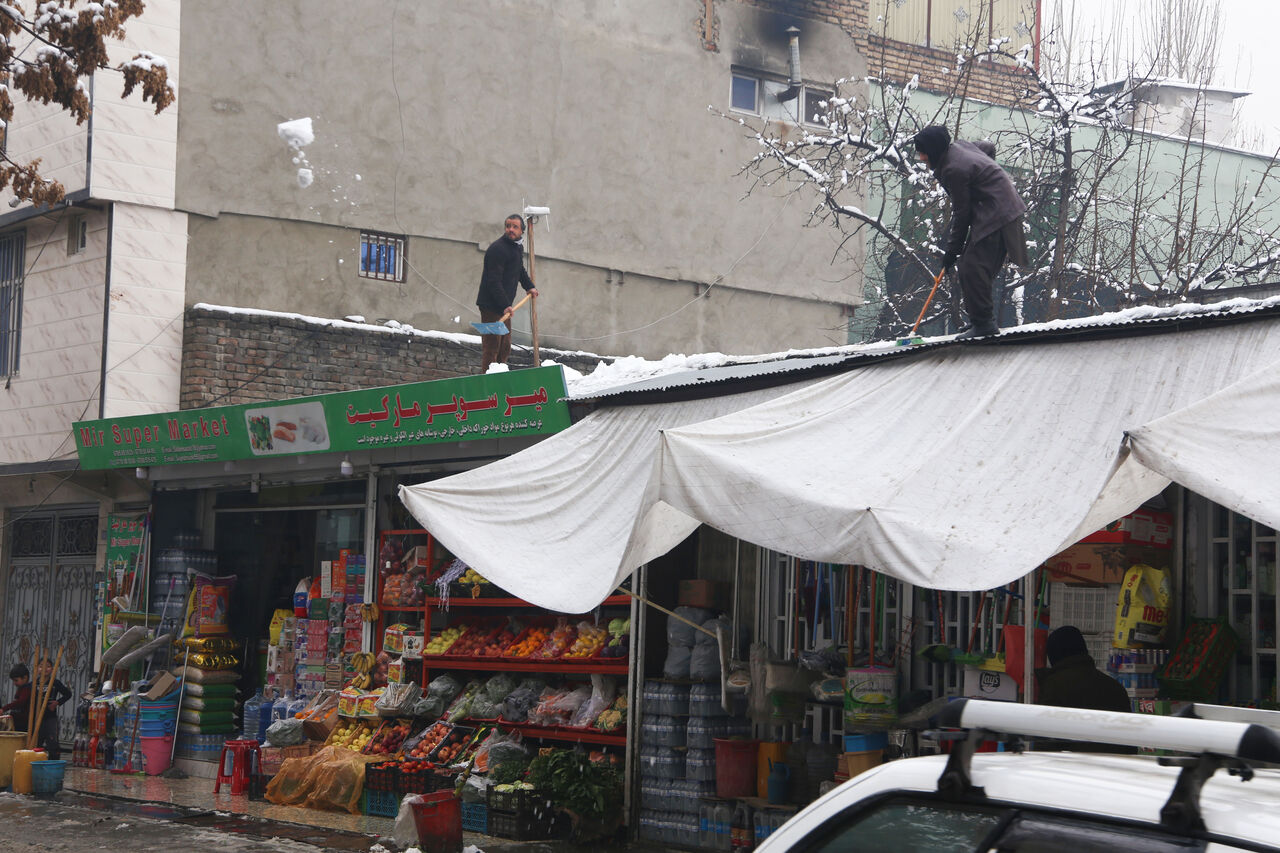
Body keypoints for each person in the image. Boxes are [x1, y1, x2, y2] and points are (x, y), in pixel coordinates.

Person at [911, 125, 1028, 338]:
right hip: (1000, 209)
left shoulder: (954, 170)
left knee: (972, 267)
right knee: (971, 266)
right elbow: (987, 148)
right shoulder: (959, 147)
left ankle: (984, 324)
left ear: (933, 150)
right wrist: (986, 178)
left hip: (998, 214)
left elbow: (962, 214)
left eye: (923, 153)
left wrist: (952, 251)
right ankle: (979, 320)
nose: (921, 158)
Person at [475, 213, 538, 371]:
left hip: (503, 307)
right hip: (491, 307)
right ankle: (488, 379)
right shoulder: (498, 249)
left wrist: (529, 286)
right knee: (492, 348)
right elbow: (493, 281)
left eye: (515, 227)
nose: (511, 229)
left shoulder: (516, 247)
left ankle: (500, 375)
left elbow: (519, 269)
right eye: (508, 226)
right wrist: (505, 305)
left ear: (522, 231)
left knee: (504, 347)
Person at [34, 657, 70, 760]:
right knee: (37, 742)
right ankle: (37, 762)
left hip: (50, 717)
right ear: (37, 669)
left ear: (52, 669)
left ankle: (53, 763)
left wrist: (57, 702)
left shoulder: (55, 683)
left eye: (48, 666)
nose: (44, 669)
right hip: (36, 718)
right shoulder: (34, 683)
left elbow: (68, 694)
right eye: (41, 666)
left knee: (52, 742)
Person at [2, 663, 32, 734]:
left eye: (16, 680)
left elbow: (20, 702)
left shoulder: (27, 689)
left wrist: (4, 708)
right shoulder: (21, 688)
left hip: (24, 723)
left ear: (25, 678)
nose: (14, 683)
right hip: (18, 721)